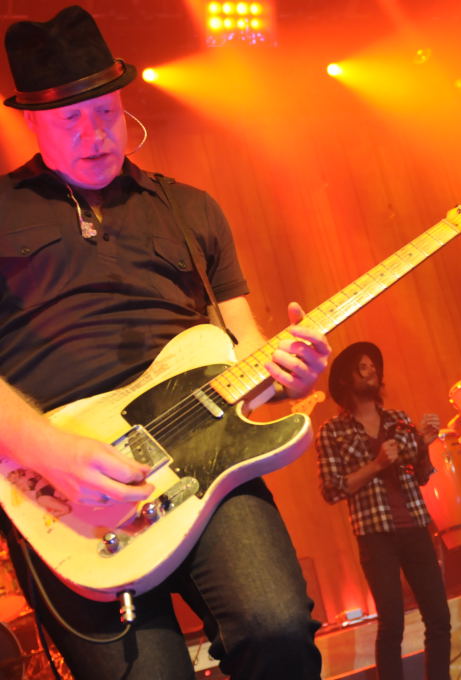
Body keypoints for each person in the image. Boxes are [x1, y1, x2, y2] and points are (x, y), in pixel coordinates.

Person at [0, 6, 330, 679]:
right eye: (71, 119)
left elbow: (244, 344)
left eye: (107, 112)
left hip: (202, 445)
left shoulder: (190, 207)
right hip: (59, 485)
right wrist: (48, 450)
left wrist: (288, 373)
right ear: (32, 121)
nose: (95, 134)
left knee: (277, 628)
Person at [316, 341, 451, 680]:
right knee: (392, 624)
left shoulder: (399, 420)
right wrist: (376, 465)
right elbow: (332, 489)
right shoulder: (332, 431)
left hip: (415, 525)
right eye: (362, 367)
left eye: (373, 365)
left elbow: (421, 475)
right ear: (346, 379)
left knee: (439, 618)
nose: (372, 370)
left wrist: (424, 444)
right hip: (375, 536)